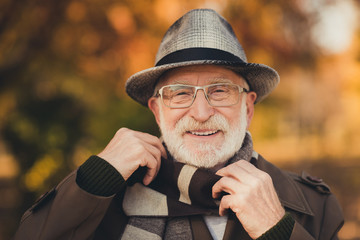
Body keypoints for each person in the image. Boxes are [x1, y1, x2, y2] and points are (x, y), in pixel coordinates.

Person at [14, 9, 343, 240]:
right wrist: (96, 177)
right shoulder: (105, 201)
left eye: (220, 91)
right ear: (157, 111)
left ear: (248, 106)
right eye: (180, 94)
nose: (201, 112)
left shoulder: (314, 206)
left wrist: (278, 231)